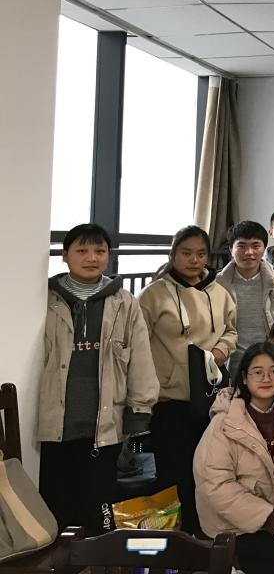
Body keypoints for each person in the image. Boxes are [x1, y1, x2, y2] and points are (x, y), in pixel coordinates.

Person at [37, 223, 159, 534]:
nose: (91, 257)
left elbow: (141, 359)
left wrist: (139, 413)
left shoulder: (124, 302)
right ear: (65, 255)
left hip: (105, 424)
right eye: (82, 250)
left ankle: (95, 556)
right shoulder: (45, 298)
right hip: (55, 422)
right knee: (55, 502)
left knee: (99, 503)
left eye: (99, 251)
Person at [139, 225, 237, 533]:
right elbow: (137, 345)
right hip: (170, 399)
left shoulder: (219, 292)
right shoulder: (153, 294)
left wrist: (220, 351)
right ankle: (172, 538)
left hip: (209, 399)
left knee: (208, 470)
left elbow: (231, 331)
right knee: (173, 472)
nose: (194, 260)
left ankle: (204, 535)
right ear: (173, 254)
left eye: (201, 254)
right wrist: (148, 391)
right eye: (186, 253)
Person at [194, 343, 274, 574]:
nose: (266, 378)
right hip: (235, 525)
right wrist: (268, 517)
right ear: (244, 378)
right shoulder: (224, 422)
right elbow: (215, 485)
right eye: (258, 372)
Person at [217, 220, 274, 371]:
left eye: (255, 246)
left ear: (264, 248)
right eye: (241, 246)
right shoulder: (217, 286)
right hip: (228, 364)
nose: (249, 252)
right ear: (231, 249)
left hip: (269, 363)